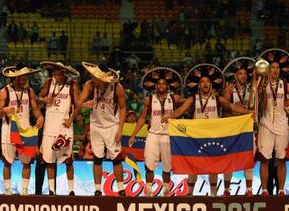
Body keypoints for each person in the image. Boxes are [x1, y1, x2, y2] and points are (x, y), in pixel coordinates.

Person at [165, 63, 253, 196]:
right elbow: (181, 110)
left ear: (211, 85)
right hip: (196, 137)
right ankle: (190, 193)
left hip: (214, 136)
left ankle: (213, 194)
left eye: (207, 81)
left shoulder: (218, 99)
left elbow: (232, 107)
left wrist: (248, 112)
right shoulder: (192, 99)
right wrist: (169, 117)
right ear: (199, 85)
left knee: (214, 166)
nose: (205, 84)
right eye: (202, 82)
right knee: (193, 165)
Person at [129, 67, 184, 197]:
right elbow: (142, 118)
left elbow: (189, 102)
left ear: (167, 86)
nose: (161, 85)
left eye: (164, 83)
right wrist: (133, 135)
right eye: (159, 83)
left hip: (168, 136)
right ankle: (148, 189)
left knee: (167, 166)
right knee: (149, 164)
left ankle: (166, 189)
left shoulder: (174, 98)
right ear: (155, 86)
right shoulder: (149, 99)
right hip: (153, 135)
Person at [256, 48, 289, 196]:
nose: (275, 70)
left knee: (281, 159)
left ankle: (281, 190)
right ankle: (264, 190)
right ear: (268, 69)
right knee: (264, 159)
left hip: (282, 125)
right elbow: (258, 105)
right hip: (265, 124)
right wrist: (261, 88)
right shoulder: (261, 85)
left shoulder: (286, 85)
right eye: (272, 67)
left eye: (278, 68)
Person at [75, 62, 127, 196]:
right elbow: (79, 103)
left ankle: (121, 189)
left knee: (116, 158)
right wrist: (87, 105)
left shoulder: (117, 87)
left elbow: (122, 108)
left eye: (97, 78)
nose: (94, 79)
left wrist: (120, 128)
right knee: (97, 159)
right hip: (96, 125)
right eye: (94, 77)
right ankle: (98, 189)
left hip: (111, 126)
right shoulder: (90, 85)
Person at [0, 64, 44, 195]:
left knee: (27, 162)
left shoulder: (29, 91)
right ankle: (7, 190)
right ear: (16, 77)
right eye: (23, 76)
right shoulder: (4, 91)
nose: (25, 78)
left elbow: (35, 110)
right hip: (9, 130)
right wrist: (4, 110)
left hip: (25, 130)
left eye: (26, 76)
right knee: (7, 162)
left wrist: (40, 117)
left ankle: (24, 190)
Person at [38, 62, 80, 195]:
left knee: (68, 161)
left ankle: (71, 190)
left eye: (60, 74)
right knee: (49, 161)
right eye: (56, 74)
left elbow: (78, 104)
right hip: (49, 127)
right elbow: (39, 97)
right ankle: (51, 190)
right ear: (53, 74)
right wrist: (45, 100)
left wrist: (71, 119)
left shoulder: (72, 84)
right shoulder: (49, 82)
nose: (58, 76)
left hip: (64, 126)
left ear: (64, 73)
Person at [222, 57, 255, 196]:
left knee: (248, 157)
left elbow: (255, 106)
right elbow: (226, 110)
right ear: (235, 76)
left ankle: (249, 190)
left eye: (245, 74)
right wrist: (242, 113)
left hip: (247, 128)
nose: (243, 76)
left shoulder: (251, 89)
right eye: (240, 73)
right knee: (229, 158)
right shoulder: (229, 89)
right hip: (232, 128)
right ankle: (226, 190)